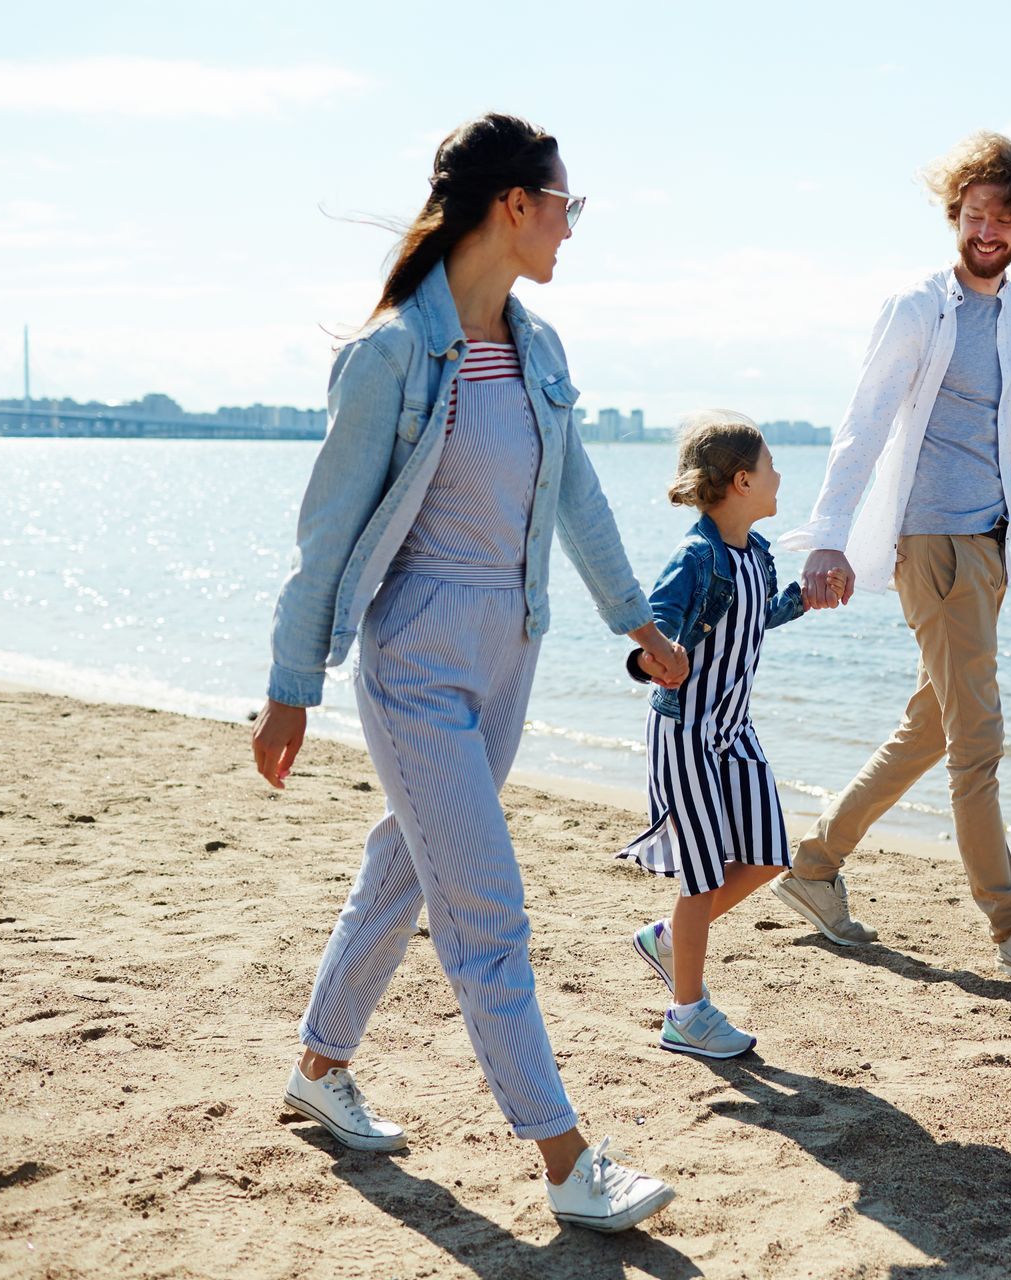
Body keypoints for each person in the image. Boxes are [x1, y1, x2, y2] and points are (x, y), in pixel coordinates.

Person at [250, 113, 686, 1233]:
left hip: (513, 652)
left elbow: (577, 496)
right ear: (513, 206)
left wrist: (635, 621)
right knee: (486, 907)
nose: (569, 231)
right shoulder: (394, 354)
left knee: (404, 870)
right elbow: (327, 531)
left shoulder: (539, 348)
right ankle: (566, 1157)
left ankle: (319, 1063)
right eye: (564, 207)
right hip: (416, 662)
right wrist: (292, 682)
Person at [773, 131, 1011, 988]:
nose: (989, 229)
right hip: (929, 540)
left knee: (935, 724)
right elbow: (866, 420)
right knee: (978, 742)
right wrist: (829, 536)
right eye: (975, 214)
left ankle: (813, 866)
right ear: (954, 215)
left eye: (1006, 217)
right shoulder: (918, 307)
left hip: (987, 545)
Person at [616, 412, 835, 1058]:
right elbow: (656, 625)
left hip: (734, 733)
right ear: (742, 481)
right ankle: (686, 1013)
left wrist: (804, 600)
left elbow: (754, 618)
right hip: (685, 735)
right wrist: (653, 658)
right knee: (702, 876)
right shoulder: (696, 557)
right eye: (770, 467)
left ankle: (669, 940)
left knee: (768, 855)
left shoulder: (755, 556)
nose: (779, 477)